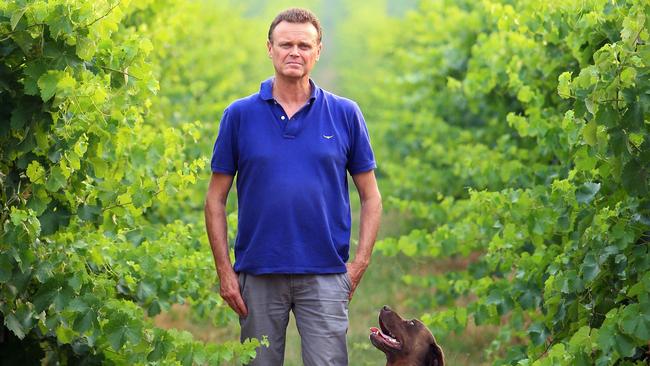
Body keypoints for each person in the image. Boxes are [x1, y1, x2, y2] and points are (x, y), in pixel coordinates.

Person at [204, 7, 382, 366]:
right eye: (286, 44)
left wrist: (358, 266)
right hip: (257, 273)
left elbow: (371, 197)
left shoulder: (345, 113)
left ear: (318, 51)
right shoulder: (238, 115)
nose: (294, 52)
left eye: (304, 45)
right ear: (269, 48)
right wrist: (226, 272)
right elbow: (215, 200)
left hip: (326, 273)